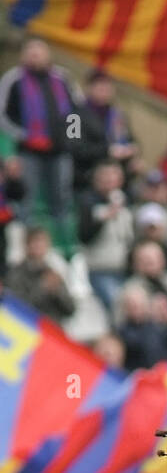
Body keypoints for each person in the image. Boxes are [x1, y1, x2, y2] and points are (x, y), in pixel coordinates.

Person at [0, 37, 77, 223]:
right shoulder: (14, 79)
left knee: (61, 194)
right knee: (28, 195)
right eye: (31, 53)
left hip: (60, 149)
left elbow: (76, 111)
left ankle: (62, 240)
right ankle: (26, 235)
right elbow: (3, 114)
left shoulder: (62, 78)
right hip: (28, 151)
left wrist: (72, 138)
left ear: (48, 55)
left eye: (39, 52)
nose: (35, 57)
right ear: (23, 56)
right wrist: (23, 136)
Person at [77, 160, 134, 312]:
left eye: (113, 177)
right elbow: (84, 237)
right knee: (117, 307)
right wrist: (103, 218)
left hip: (124, 270)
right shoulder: (88, 204)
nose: (109, 182)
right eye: (105, 178)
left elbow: (129, 239)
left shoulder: (125, 206)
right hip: (100, 270)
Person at [6, 224, 75, 322]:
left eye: (42, 241)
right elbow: (16, 308)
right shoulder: (16, 273)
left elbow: (70, 310)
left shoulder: (52, 271)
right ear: (26, 245)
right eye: (35, 241)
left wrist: (58, 291)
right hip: (29, 329)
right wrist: (43, 287)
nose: (39, 245)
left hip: (52, 328)